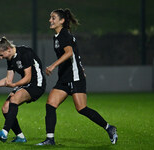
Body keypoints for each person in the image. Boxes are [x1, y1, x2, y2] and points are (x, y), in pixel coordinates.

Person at [36, 8, 118, 146]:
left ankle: (109, 128)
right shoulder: (57, 36)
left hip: (74, 77)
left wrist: (52, 66)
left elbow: (69, 53)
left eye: (53, 18)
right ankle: (50, 139)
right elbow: (75, 54)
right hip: (64, 77)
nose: (50, 20)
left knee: (81, 108)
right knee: (50, 105)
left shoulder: (64, 35)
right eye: (50, 17)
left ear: (62, 21)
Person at [0, 37, 46, 143]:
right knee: (5, 108)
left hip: (37, 84)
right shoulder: (10, 59)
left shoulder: (25, 52)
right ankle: (20, 137)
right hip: (26, 84)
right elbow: (8, 80)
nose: (0, 58)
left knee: (14, 99)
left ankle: (4, 132)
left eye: (1, 55)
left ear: (8, 49)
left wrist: (14, 85)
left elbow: (28, 77)